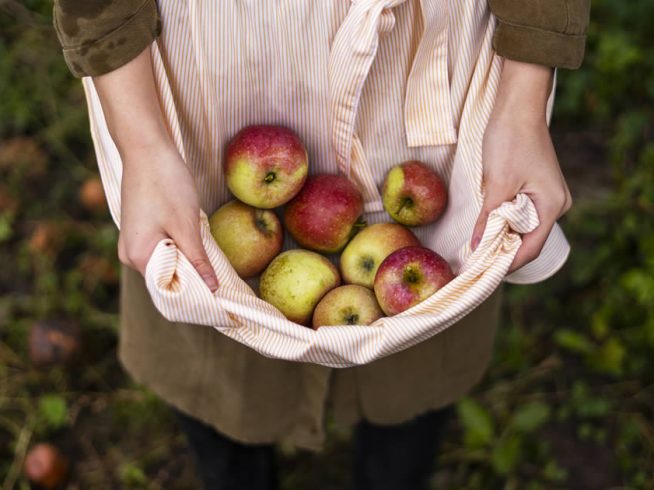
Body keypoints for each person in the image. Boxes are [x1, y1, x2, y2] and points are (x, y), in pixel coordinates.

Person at [53, 1, 590, 489]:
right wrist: (143, 143)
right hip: (214, 80)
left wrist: (524, 97)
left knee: (420, 367)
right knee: (210, 326)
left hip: (426, 92)